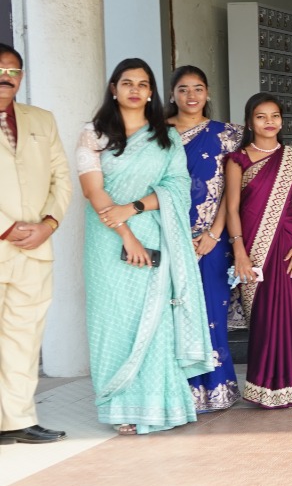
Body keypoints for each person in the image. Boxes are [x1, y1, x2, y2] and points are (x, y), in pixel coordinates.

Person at [77, 58, 212, 434]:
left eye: (142, 84)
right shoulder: (94, 134)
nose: (134, 90)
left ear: (151, 92)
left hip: (154, 233)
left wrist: (134, 208)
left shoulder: (165, 137)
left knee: (155, 320)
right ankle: (119, 405)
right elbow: (93, 191)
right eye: (127, 83)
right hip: (108, 240)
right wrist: (127, 234)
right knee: (113, 320)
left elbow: (177, 186)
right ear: (114, 89)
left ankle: (157, 405)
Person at [0, 43, 71, 445]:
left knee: (23, 338)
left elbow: (61, 178)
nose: (5, 77)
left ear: (21, 77)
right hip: (2, 241)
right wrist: (6, 227)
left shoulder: (41, 120)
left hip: (35, 250)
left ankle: (17, 419)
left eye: (13, 71)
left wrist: (48, 224)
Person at [224, 93, 292, 409]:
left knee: (290, 313)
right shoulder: (237, 160)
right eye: (261, 116)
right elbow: (231, 209)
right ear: (250, 122)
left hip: (289, 245)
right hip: (252, 247)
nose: (269, 122)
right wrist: (239, 251)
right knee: (262, 316)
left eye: (275, 116)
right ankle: (262, 386)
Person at [168, 65, 241, 413]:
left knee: (212, 310)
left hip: (213, 239)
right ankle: (180, 392)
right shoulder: (156, 135)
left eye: (198, 88)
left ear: (208, 93)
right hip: (169, 238)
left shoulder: (227, 135)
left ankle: (217, 388)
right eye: (183, 89)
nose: (191, 95)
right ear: (172, 95)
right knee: (174, 313)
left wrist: (214, 233)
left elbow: (232, 190)